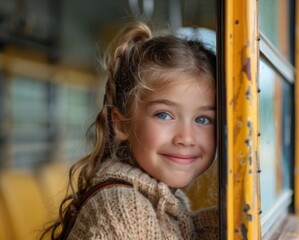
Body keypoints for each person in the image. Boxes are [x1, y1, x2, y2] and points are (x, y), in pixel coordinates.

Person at [42, 21, 218, 239]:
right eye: (164, 115)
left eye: (203, 119)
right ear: (121, 124)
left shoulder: (166, 202)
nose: (186, 138)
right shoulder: (124, 211)